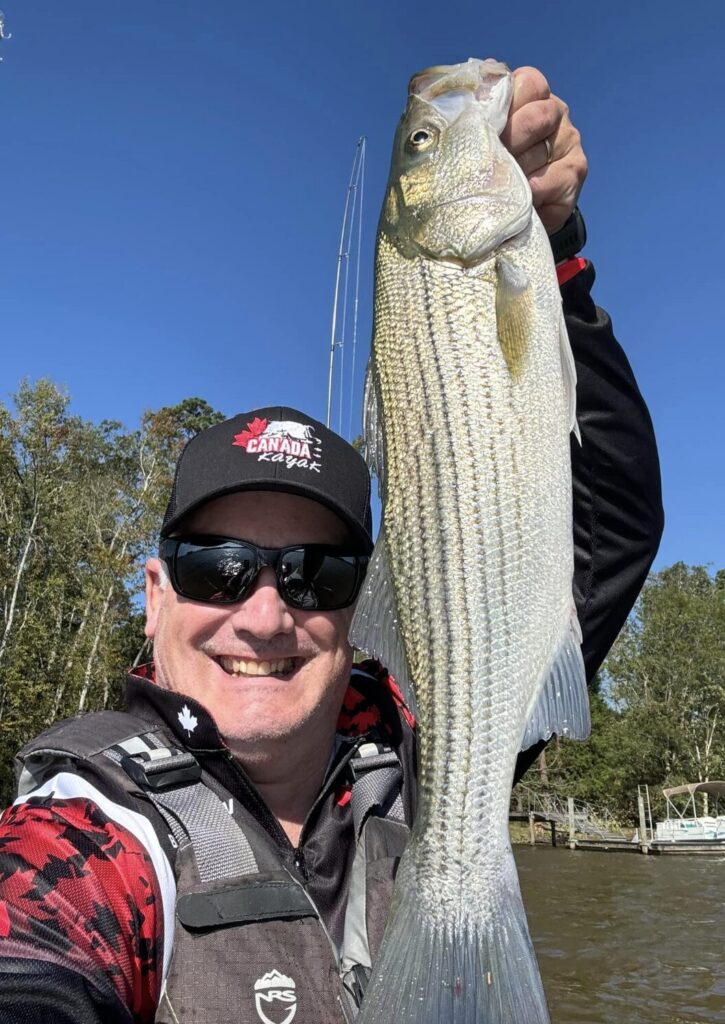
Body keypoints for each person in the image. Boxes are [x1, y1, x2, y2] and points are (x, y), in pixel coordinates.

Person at [0, 66, 663, 1024]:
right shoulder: (85, 835)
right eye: (216, 567)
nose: (265, 615)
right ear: (153, 593)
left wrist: (557, 257)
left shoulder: (419, 738)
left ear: (362, 607)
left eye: (315, 574)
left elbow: (614, 526)